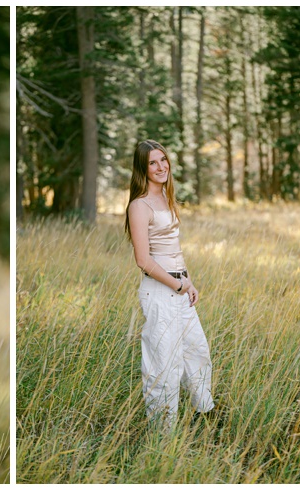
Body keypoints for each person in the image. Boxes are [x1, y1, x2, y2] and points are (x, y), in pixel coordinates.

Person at [125, 139, 215, 430]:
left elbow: (172, 250)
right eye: (153, 162)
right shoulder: (140, 206)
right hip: (160, 292)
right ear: (143, 167)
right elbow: (144, 260)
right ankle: (164, 431)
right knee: (164, 363)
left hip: (178, 287)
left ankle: (205, 413)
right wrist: (176, 286)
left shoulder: (166, 196)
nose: (161, 166)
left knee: (197, 351)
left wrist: (188, 283)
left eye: (163, 160)